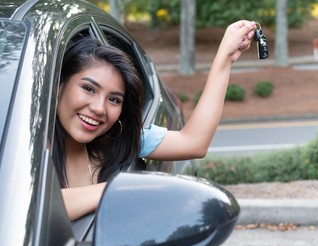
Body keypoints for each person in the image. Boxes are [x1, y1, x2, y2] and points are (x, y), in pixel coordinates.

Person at [56, 20, 257, 221]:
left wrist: (225, 59)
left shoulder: (119, 137)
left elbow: (194, 142)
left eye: (114, 99)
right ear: (59, 86)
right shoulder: (27, 142)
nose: (99, 108)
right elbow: (30, 208)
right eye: (89, 89)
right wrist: (120, 188)